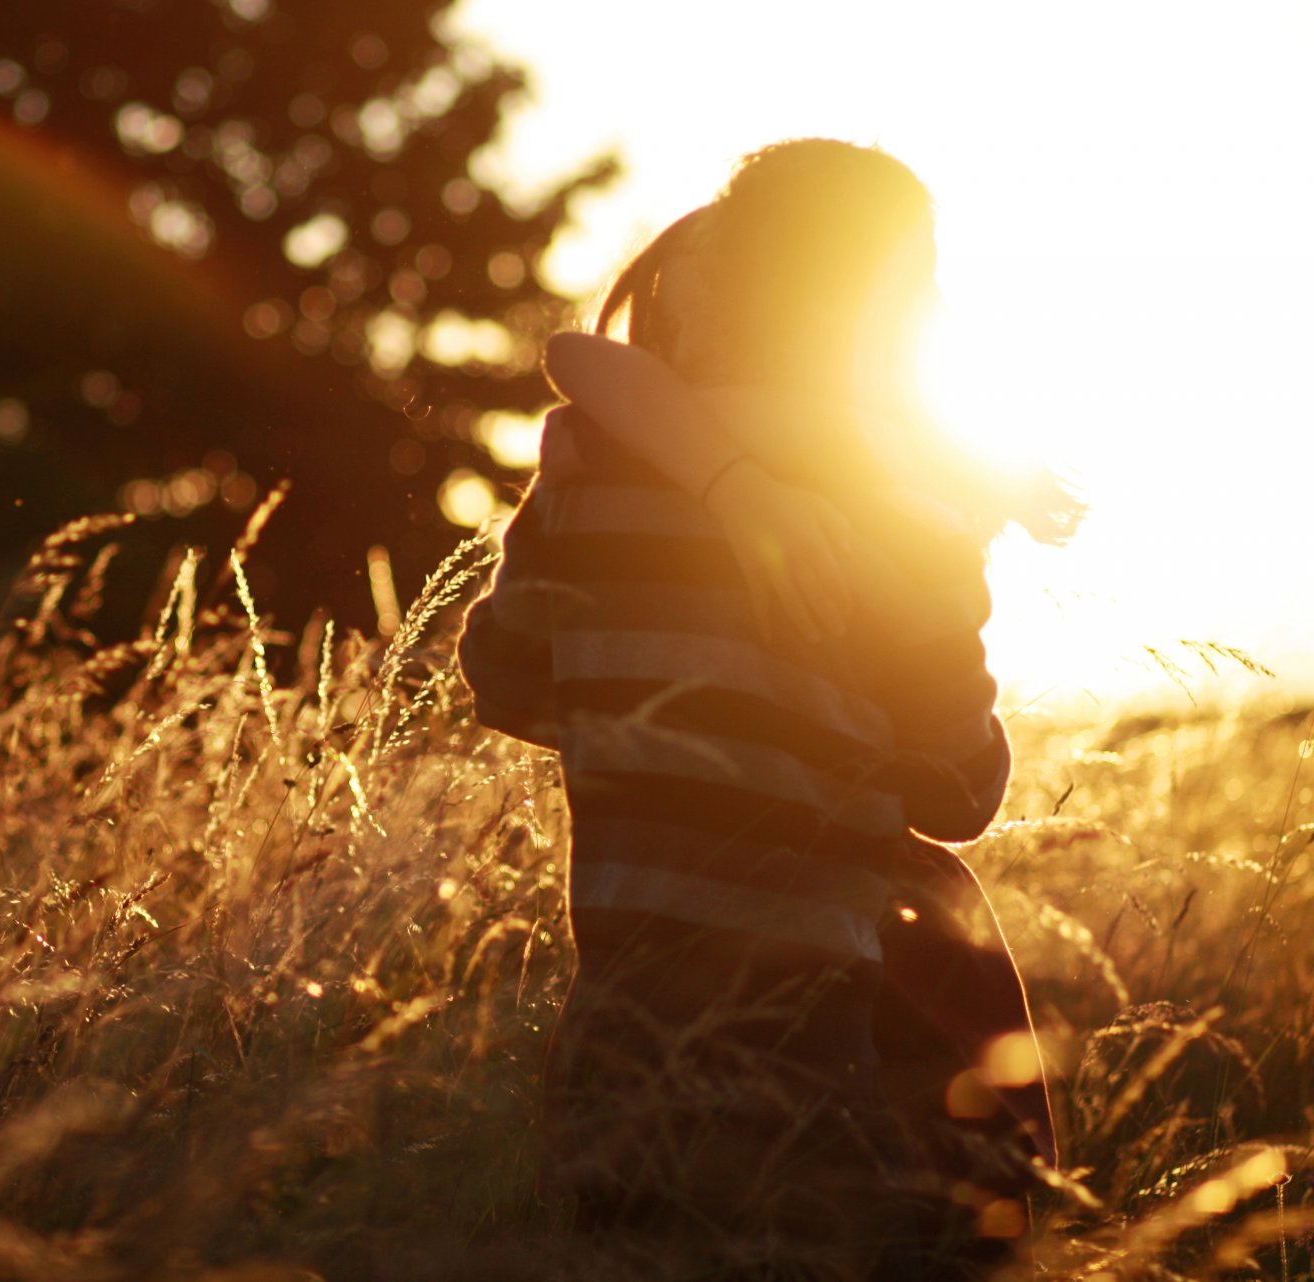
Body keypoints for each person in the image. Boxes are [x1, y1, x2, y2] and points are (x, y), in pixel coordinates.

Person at [457, 138, 1078, 1279]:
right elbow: (959, 788)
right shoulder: (910, 521)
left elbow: (505, 676)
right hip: (814, 1062)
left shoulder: (590, 458)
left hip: (618, 1060)